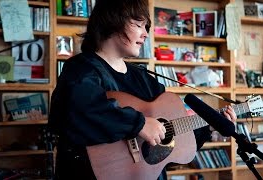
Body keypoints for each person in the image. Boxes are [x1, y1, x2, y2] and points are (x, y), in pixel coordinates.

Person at [48, 0, 237, 179]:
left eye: (146, 27)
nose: (146, 34)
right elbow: (80, 112)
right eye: (139, 25)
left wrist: (209, 124)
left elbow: (171, 143)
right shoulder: (82, 68)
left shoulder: (145, 79)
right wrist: (139, 124)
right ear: (113, 20)